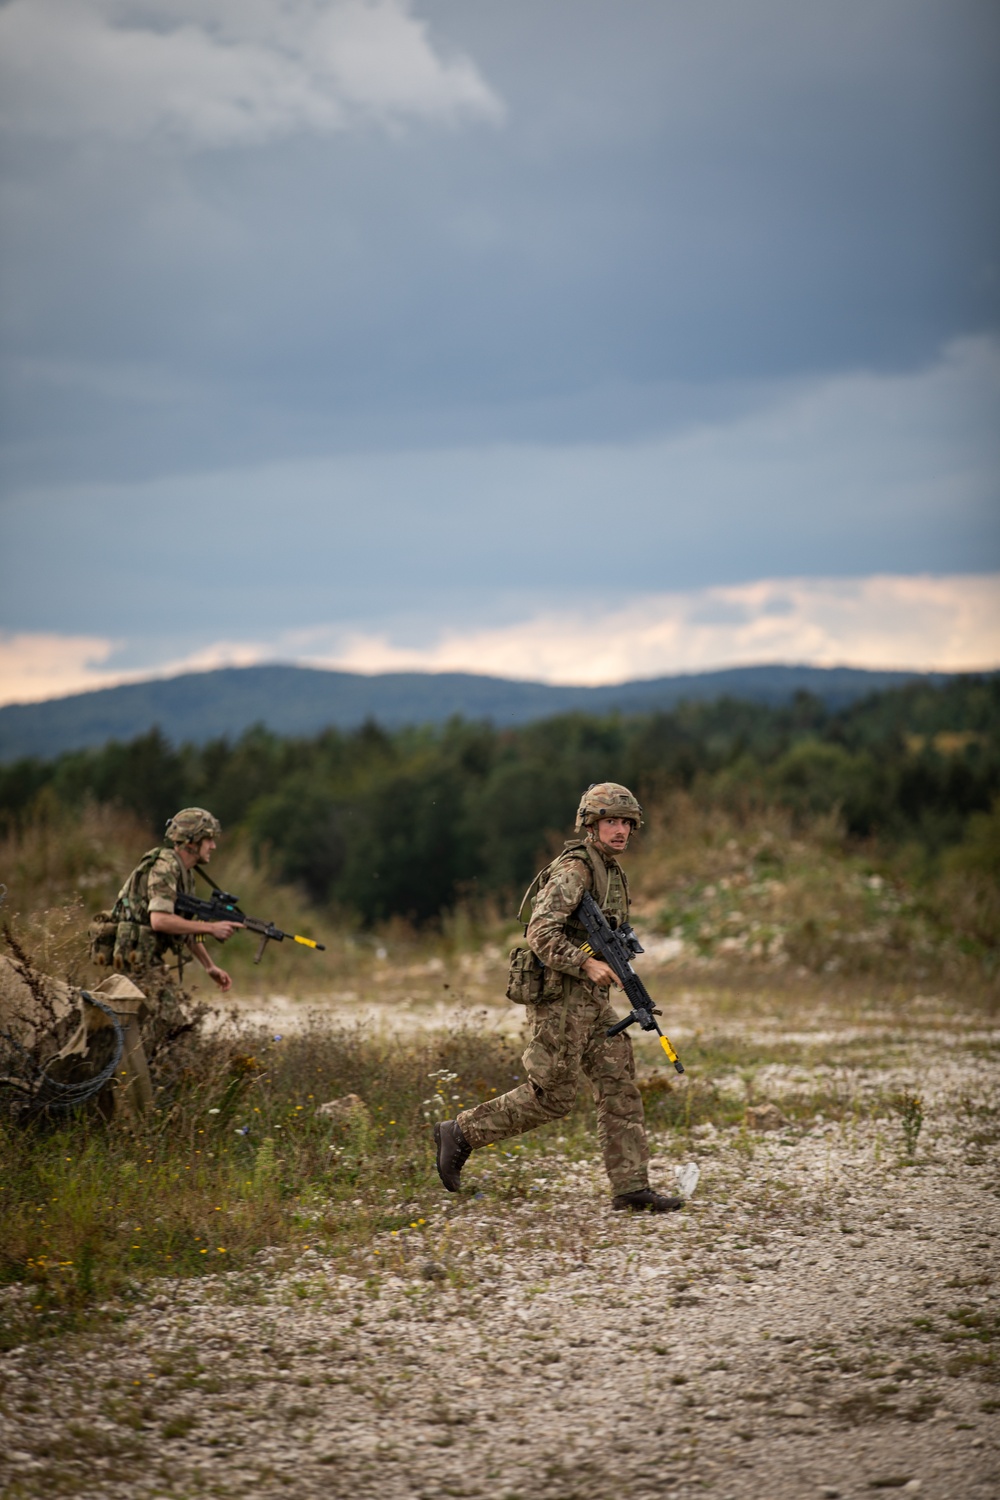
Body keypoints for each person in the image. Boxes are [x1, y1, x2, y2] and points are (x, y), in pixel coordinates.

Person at [434, 782, 683, 1212]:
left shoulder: (611, 871)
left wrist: (615, 969)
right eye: (611, 822)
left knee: (619, 1085)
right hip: (560, 999)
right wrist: (586, 964)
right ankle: (460, 1133)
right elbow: (539, 932)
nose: (620, 830)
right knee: (553, 1096)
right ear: (591, 823)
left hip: (590, 999)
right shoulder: (576, 870)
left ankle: (630, 1188)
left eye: (626, 822)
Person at [108, 807, 240, 991]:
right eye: (209, 839)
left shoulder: (185, 873)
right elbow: (160, 920)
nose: (213, 846)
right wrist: (211, 928)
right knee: (165, 1017)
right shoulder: (165, 867)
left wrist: (209, 966)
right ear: (192, 842)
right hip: (133, 958)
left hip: (145, 957)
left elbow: (184, 927)